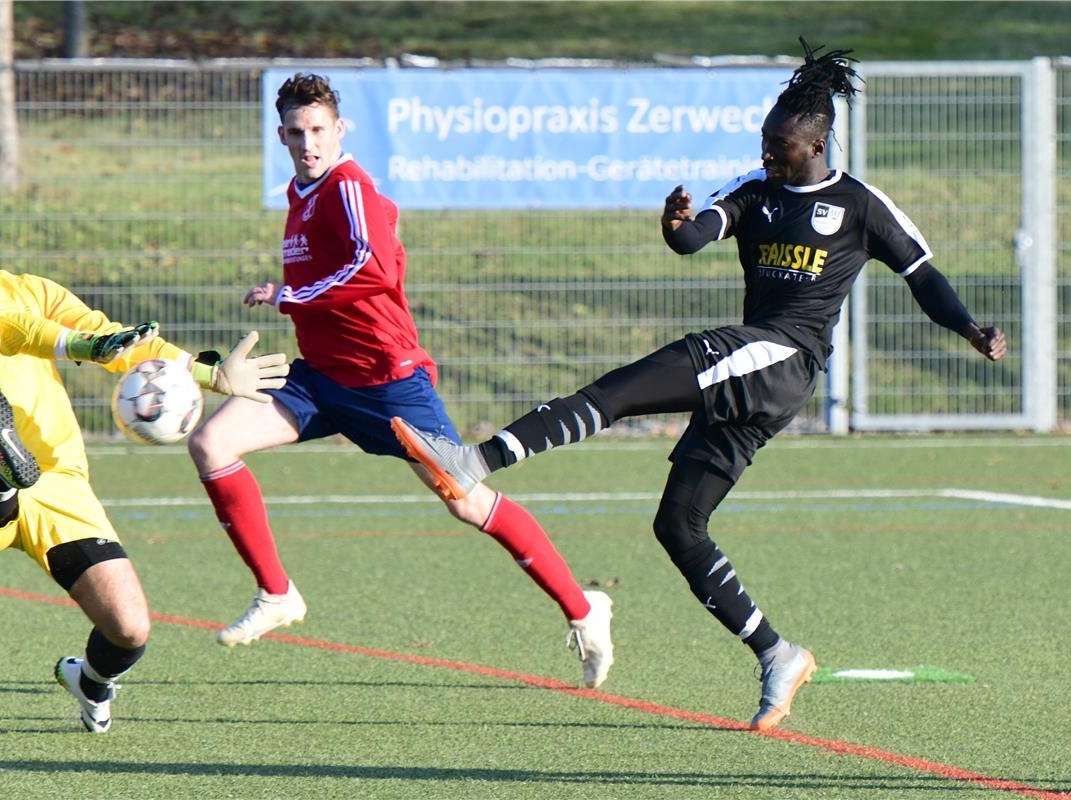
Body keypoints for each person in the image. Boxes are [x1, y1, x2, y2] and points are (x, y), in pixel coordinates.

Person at [391, 38, 1008, 732]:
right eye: (765, 142)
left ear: (815, 143)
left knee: (620, 390)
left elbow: (922, 276)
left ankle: (474, 461)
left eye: (780, 146)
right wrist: (676, 225)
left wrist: (969, 329)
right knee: (677, 525)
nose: (768, 154)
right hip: (753, 375)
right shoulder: (755, 188)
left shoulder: (860, 205)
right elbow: (694, 238)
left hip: (781, 359)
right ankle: (777, 653)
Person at [186, 73, 614, 689]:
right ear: (280, 134)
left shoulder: (349, 187)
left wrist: (290, 294)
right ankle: (277, 593)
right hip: (321, 380)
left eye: (318, 130)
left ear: (340, 131)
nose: (308, 142)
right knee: (210, 444)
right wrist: (299, 301)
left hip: (388, 384)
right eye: (296, 132)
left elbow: (374, 267)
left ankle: (583, 608)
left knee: (466, 500)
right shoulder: (300, 191)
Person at [0, 157, 290, 733]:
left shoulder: (32, 289)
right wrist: (81, 345)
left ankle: (91, 680)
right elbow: (1, 326)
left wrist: (208, 375)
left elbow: (117, 340)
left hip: (58, 483)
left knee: (130, 628)